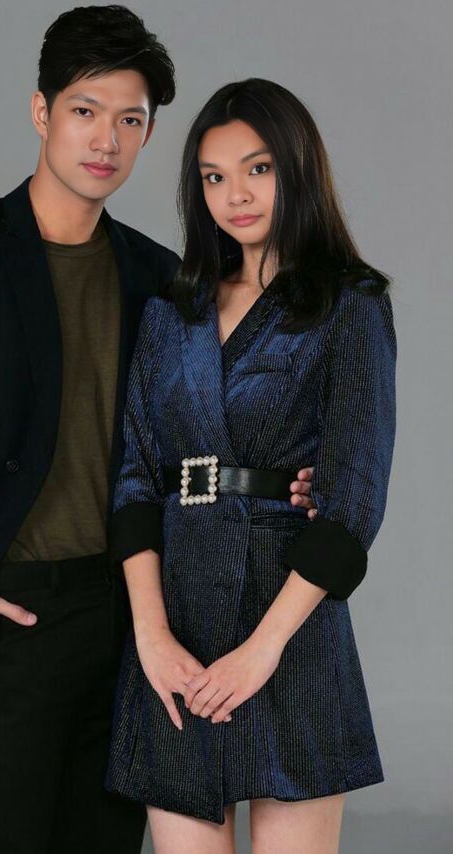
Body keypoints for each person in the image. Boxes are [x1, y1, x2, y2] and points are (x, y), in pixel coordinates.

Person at [0, 7, 317, 850]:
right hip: (4, 616)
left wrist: (286, 483)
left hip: (130, 618)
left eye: (130, 120)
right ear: (42, 112)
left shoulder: (160, 279)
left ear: (148, 135)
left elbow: (191, 441)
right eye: (85, 110)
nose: (106, 139)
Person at [105, 78, 397, 854]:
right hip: (176, 624)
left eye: (257, 169)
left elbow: (353, 504)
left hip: (290, 628)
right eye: (213, 176)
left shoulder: (349, 304)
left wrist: (263, 650)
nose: (234, 195)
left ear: (297, 167)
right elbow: (135, 481)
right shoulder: (172, 312)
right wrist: (152, 636)